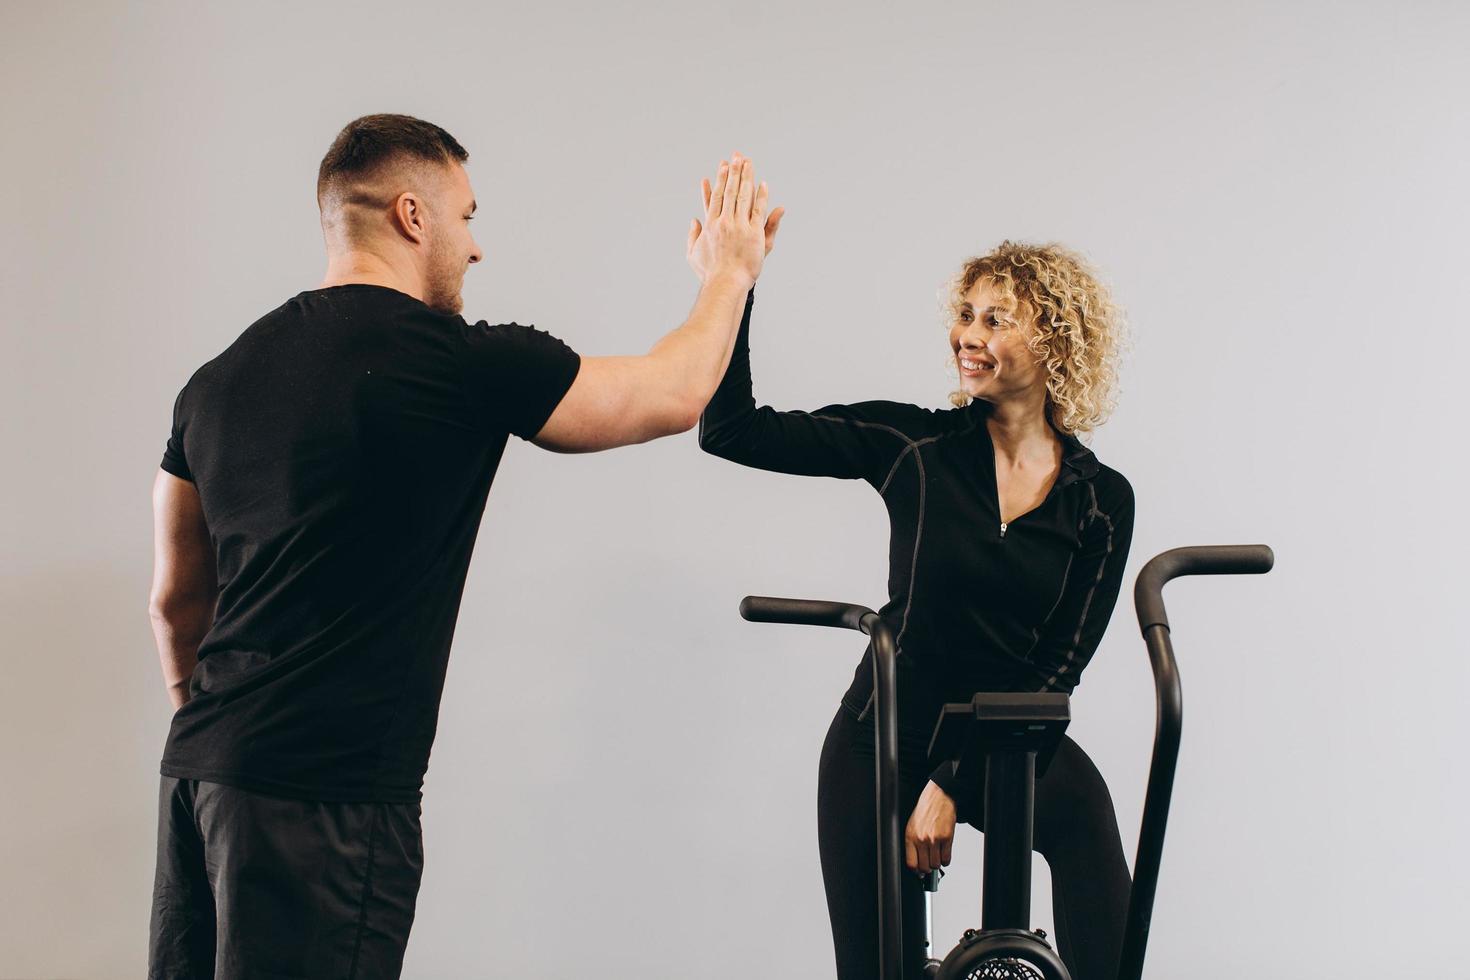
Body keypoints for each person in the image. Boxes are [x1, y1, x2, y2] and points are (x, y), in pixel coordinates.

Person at [146, 113, 783, 979]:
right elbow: (672, 392)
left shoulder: (216, 381)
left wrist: (212, 732)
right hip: (326, 799)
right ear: (414, 215)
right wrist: (731, 272)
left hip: (198, 780)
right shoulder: (456, 363)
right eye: (468, 216)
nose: (475, 248)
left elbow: (176, 601)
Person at [699, 240, 1135, 980]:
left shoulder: (1100, 501)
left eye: (997, 320)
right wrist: (732, 285)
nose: (969, 335)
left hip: (1008, 740)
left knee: (1091, 836)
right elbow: (731, 431)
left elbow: (1058, 671)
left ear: (1054, 338)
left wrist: (952, 783)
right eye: (966, 315)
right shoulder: (916, 445)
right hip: (886, 735)